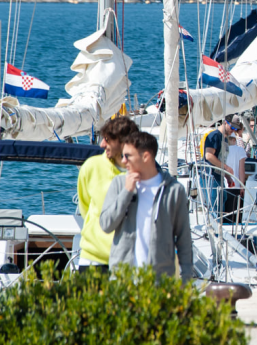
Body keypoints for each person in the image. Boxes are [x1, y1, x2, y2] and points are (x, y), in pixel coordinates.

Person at [99, 131, 194, 280]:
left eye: (128, 156)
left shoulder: (174, 190)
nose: (123, 161)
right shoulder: (119, 184)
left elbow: (184, 239)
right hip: (122, 282)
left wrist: (186, 279)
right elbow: (106, 224)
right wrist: (126, 192)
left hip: (159, 285)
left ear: (145, 156)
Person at [76, 115, 138, 271]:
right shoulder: (91, 166)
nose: (102, 144)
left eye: (108, 140)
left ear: (123, 143)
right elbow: (85, 208)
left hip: (128, 262)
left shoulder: (142, 173)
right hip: (92, 260)